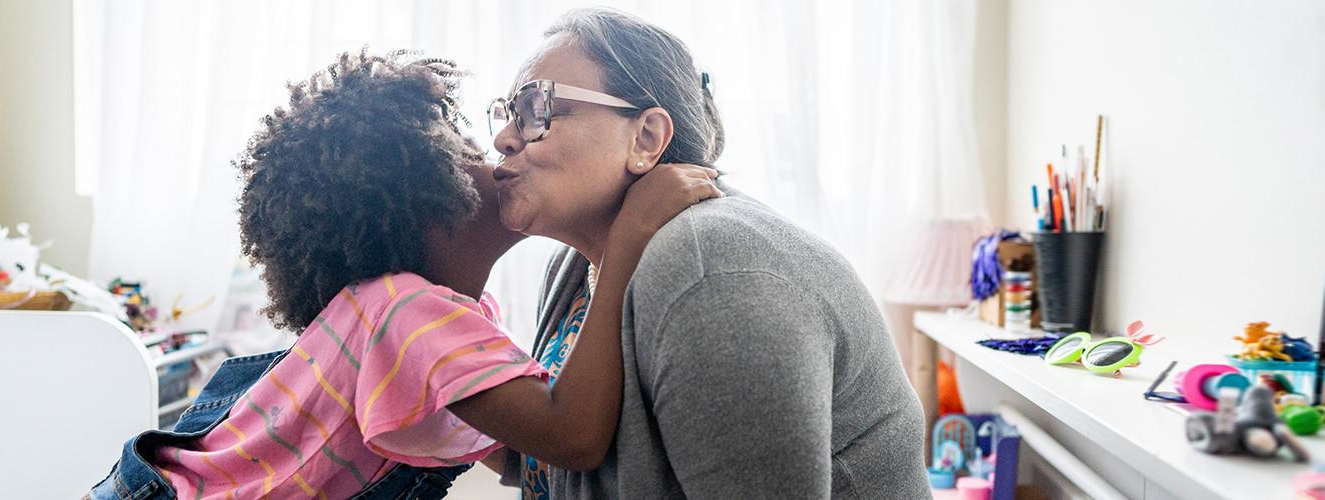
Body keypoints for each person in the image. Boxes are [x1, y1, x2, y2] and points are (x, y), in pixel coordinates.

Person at [85, 49, 720, 499]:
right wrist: (626, 243)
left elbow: (514, 451)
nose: (500, 147)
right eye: (468, 151)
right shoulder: (406, 314)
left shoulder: (430, 316)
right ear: (418, 202)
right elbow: (569, 438)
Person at [491, 9, 932, 499]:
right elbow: (554, 462)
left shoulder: (713, 273)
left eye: (536, 108)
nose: (503, 138)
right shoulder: (577, 265)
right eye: (507, 113)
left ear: (646, 138)